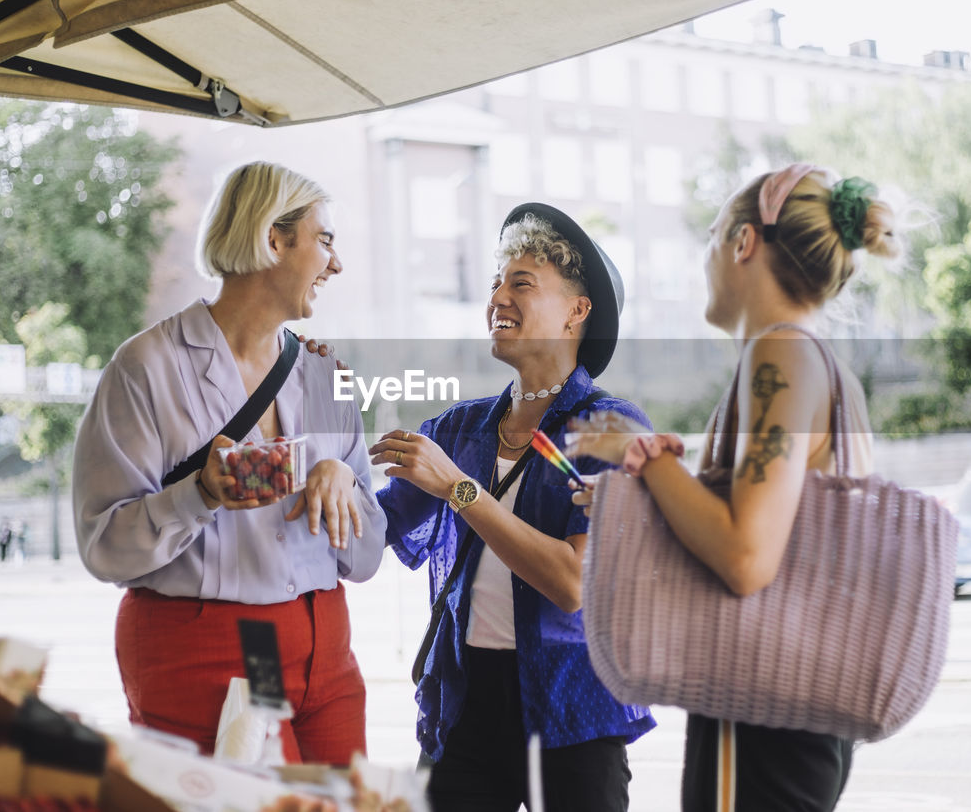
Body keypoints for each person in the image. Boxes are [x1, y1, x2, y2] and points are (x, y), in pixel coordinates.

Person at [569, 163, 898, 811]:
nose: (707, 259)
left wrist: (641, 459)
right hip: (796, 707)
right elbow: (774, 526)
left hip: (764, 716)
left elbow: (747, 556)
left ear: (744, 242)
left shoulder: (781, 355)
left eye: (714, 235)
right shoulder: (820, 362)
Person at [73, 161, 387, 766]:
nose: (337, 264)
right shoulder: (147, 369)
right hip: (226, 647)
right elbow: (103, 546)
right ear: (274, 239)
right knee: (273, 801)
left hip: (326, 649)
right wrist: (200, 494)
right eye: (325, 241)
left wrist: (344, 479)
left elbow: (366, 556)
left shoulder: (325, 376)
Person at [371, 204, 655, 812]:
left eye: (521, 283)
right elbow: (368, 531)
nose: (498, 297)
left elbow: (571, 581)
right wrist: (320, 467)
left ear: (578, 311)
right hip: (466, 703)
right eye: (496, 283)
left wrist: (460, 491)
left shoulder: (611, 428)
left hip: (575, 710)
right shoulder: (460, 428)